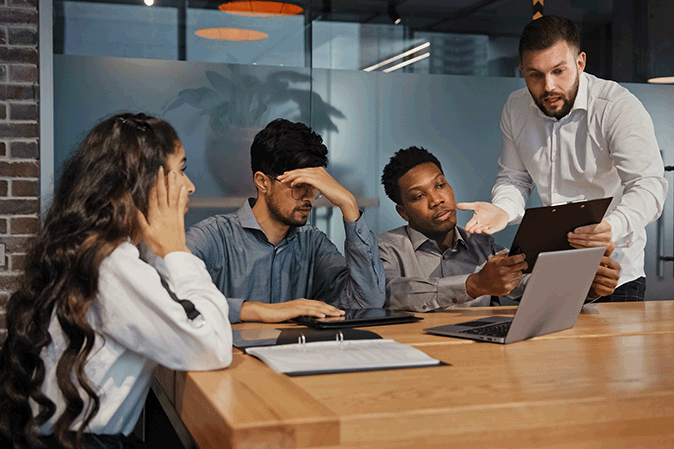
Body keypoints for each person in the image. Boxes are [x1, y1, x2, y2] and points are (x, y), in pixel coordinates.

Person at [0, 113, 233, 449]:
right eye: (180, 170)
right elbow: (211, 345)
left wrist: (159, 251)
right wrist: (177, 251)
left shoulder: (90, 250)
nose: (190, 186)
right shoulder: (111, 264)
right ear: (144, 181)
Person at [458, 15, 667, 302]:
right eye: (535, 75)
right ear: (522, 71)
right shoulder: (516, 109)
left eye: (559, 71)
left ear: (580, 62)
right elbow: (514, 178)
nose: (548, 87)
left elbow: (649, 185)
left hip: (613, 275)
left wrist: (612, 226)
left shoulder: (616, 106)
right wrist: (503, 210)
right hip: (554, 272)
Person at [179, 118, 385, 323]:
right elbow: (169, 296)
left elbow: (367, 303)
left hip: (298, 353)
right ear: (262, 182)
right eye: (298, 186)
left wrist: (348, 204)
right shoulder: (211, 236)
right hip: (232, 355)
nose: (309, 197)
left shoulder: (313, 243)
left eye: (314, 187)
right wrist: (256, 310)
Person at [379, 146, 620, 312]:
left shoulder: (482, 245)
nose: (437, 200)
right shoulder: (385, 249)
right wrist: (474, 285)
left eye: (440, 185)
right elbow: (391, 294)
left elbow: (527, 284)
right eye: (419, 196)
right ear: (403, 212)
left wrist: (588, 286)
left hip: (480, 356)